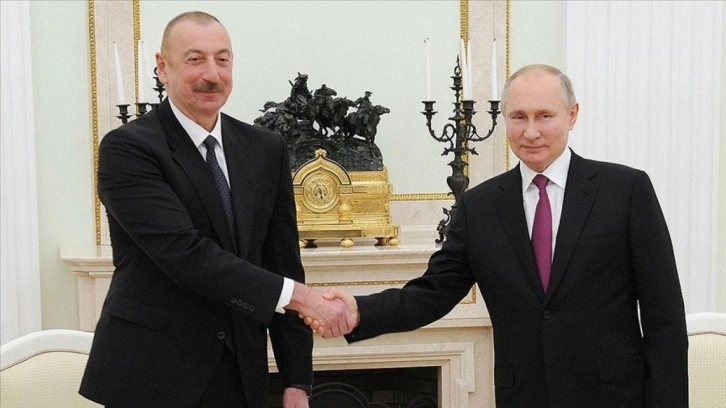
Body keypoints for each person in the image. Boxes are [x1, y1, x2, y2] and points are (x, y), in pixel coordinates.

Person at [313, 64, 689, 407]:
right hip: (523, 396)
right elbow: (431, 294)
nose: (531, 131)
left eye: (544, 116)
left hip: (615, 397)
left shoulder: (626, 191)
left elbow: (665, 319)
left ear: (572, 115)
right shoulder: (479, 207)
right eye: (518, 117)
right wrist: (359, 310)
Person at [80, 11, 355, 408]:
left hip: (241, 376)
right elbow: (186, 255)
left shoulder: (265, 149)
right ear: (162, 67)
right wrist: (304, 299)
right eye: (195, 59)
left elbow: (282, 263)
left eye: (222, 59)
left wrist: (297, 382)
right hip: (151, 377)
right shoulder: (128, 149)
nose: (212, 74)